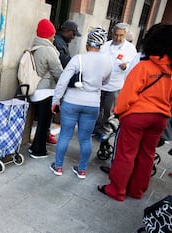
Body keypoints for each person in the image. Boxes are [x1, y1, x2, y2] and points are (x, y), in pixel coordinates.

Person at [98, 23, 172, 201]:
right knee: (147, 155)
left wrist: (119, 113)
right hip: (160, 118)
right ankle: (137, 191)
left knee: (126, 154)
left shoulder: (144, 66)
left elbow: (127, 95)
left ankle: (117, 190)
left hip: (137, 116)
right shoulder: (170, 71)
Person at [49, 27, 111, 178]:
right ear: (101, 45)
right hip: (92, 104)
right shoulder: (107, 62)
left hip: (72, 101)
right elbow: (106, 82)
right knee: (85, 138)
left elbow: (63, 81)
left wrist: (55, 100)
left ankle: (58, 167)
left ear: (87, 44)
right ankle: (82, 169)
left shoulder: (78, 59)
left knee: (64, 135)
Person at [93, 23, 137, 140]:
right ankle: (95, 128)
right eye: (116, 35)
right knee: (97, 108)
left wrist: (126, 66)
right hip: (101, 83)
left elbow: (133, 66)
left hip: (115, 85)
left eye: (121, 36)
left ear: (125, 35)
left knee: (109, 111)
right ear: (112, 34)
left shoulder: (130, 49)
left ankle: (104, 130)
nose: (118, 38)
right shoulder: (105, 45)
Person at [27, 18, 63, 158]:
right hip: (46, 91)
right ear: (48, 35)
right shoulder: (48, 50)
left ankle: (34, 147)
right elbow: (58, 71)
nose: (54, 37)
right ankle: (38, 150)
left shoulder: (35, 47)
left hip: (36, 90)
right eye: (52, 34)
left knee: (40, 122)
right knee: (44, 123)